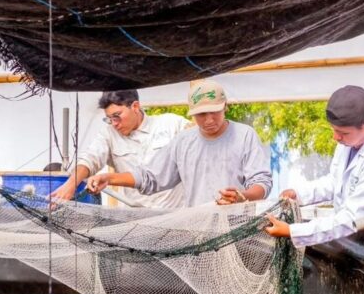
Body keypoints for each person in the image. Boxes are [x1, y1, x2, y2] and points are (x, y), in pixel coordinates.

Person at [263, 85, 364, 246]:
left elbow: (352, 218)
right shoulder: (350, 141)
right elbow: (336, 182)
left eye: (343, 133)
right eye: (334, 130)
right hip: (356, 233)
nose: (336, 137)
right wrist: (298, 194)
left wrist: (293, 231)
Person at [85, 81, 271, 207]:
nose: (208, 120)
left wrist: (242, 197)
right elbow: (150, 177)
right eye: (201, 114)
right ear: (192, 113)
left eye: (214, 111)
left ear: (225, 106)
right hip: (197, 230)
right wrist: (110, 178)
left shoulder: (244, 135)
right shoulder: (183, 141)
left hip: (237, 227)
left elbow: (261, 182)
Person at [49, 90, 188, 208]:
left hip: (175, 215)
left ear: (135, 106)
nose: (114, 123)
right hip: (136, 218)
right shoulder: (109, 134)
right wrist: (71, 185)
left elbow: (197, 144)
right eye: (109, 119)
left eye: (117, 116)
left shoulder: (172, 124)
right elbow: (90, 158)